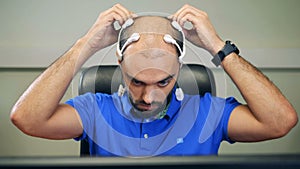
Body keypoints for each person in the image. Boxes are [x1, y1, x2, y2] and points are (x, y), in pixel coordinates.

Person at [10, 4, 298, 156]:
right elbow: (27, 118)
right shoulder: (96, 111)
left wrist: (219, 48)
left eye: (163, 82)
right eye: (137, 82)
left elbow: (280, 122)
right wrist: (86, 45)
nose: (149, 98)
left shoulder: (207, 113)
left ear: (178, 67)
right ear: (120, 64)